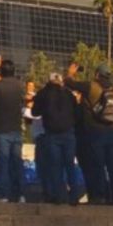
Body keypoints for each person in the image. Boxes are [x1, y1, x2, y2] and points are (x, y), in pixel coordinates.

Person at [66, 64, 113, 205]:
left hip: (95, 131)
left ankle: (100, 196)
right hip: (112, 132)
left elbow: (69, 83)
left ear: (97, 74)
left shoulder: (91, 86)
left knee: (97, 165)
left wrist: (70, 73)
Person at [32, 72, 81, 205]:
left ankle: (59, 196)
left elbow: (34, 112)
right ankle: (74, 195)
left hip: (51, 133)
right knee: (70, 164)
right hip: (69, 132)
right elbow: (77, 112)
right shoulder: (68, 94)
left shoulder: (43, 93)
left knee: (56, 165)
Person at [0, 60, 25, 203]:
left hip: (1, 129)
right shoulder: (20, 86)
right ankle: (20, 193)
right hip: (16, 128)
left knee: (2, 162)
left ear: (1, 72)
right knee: (17, 161)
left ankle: (3, 193)